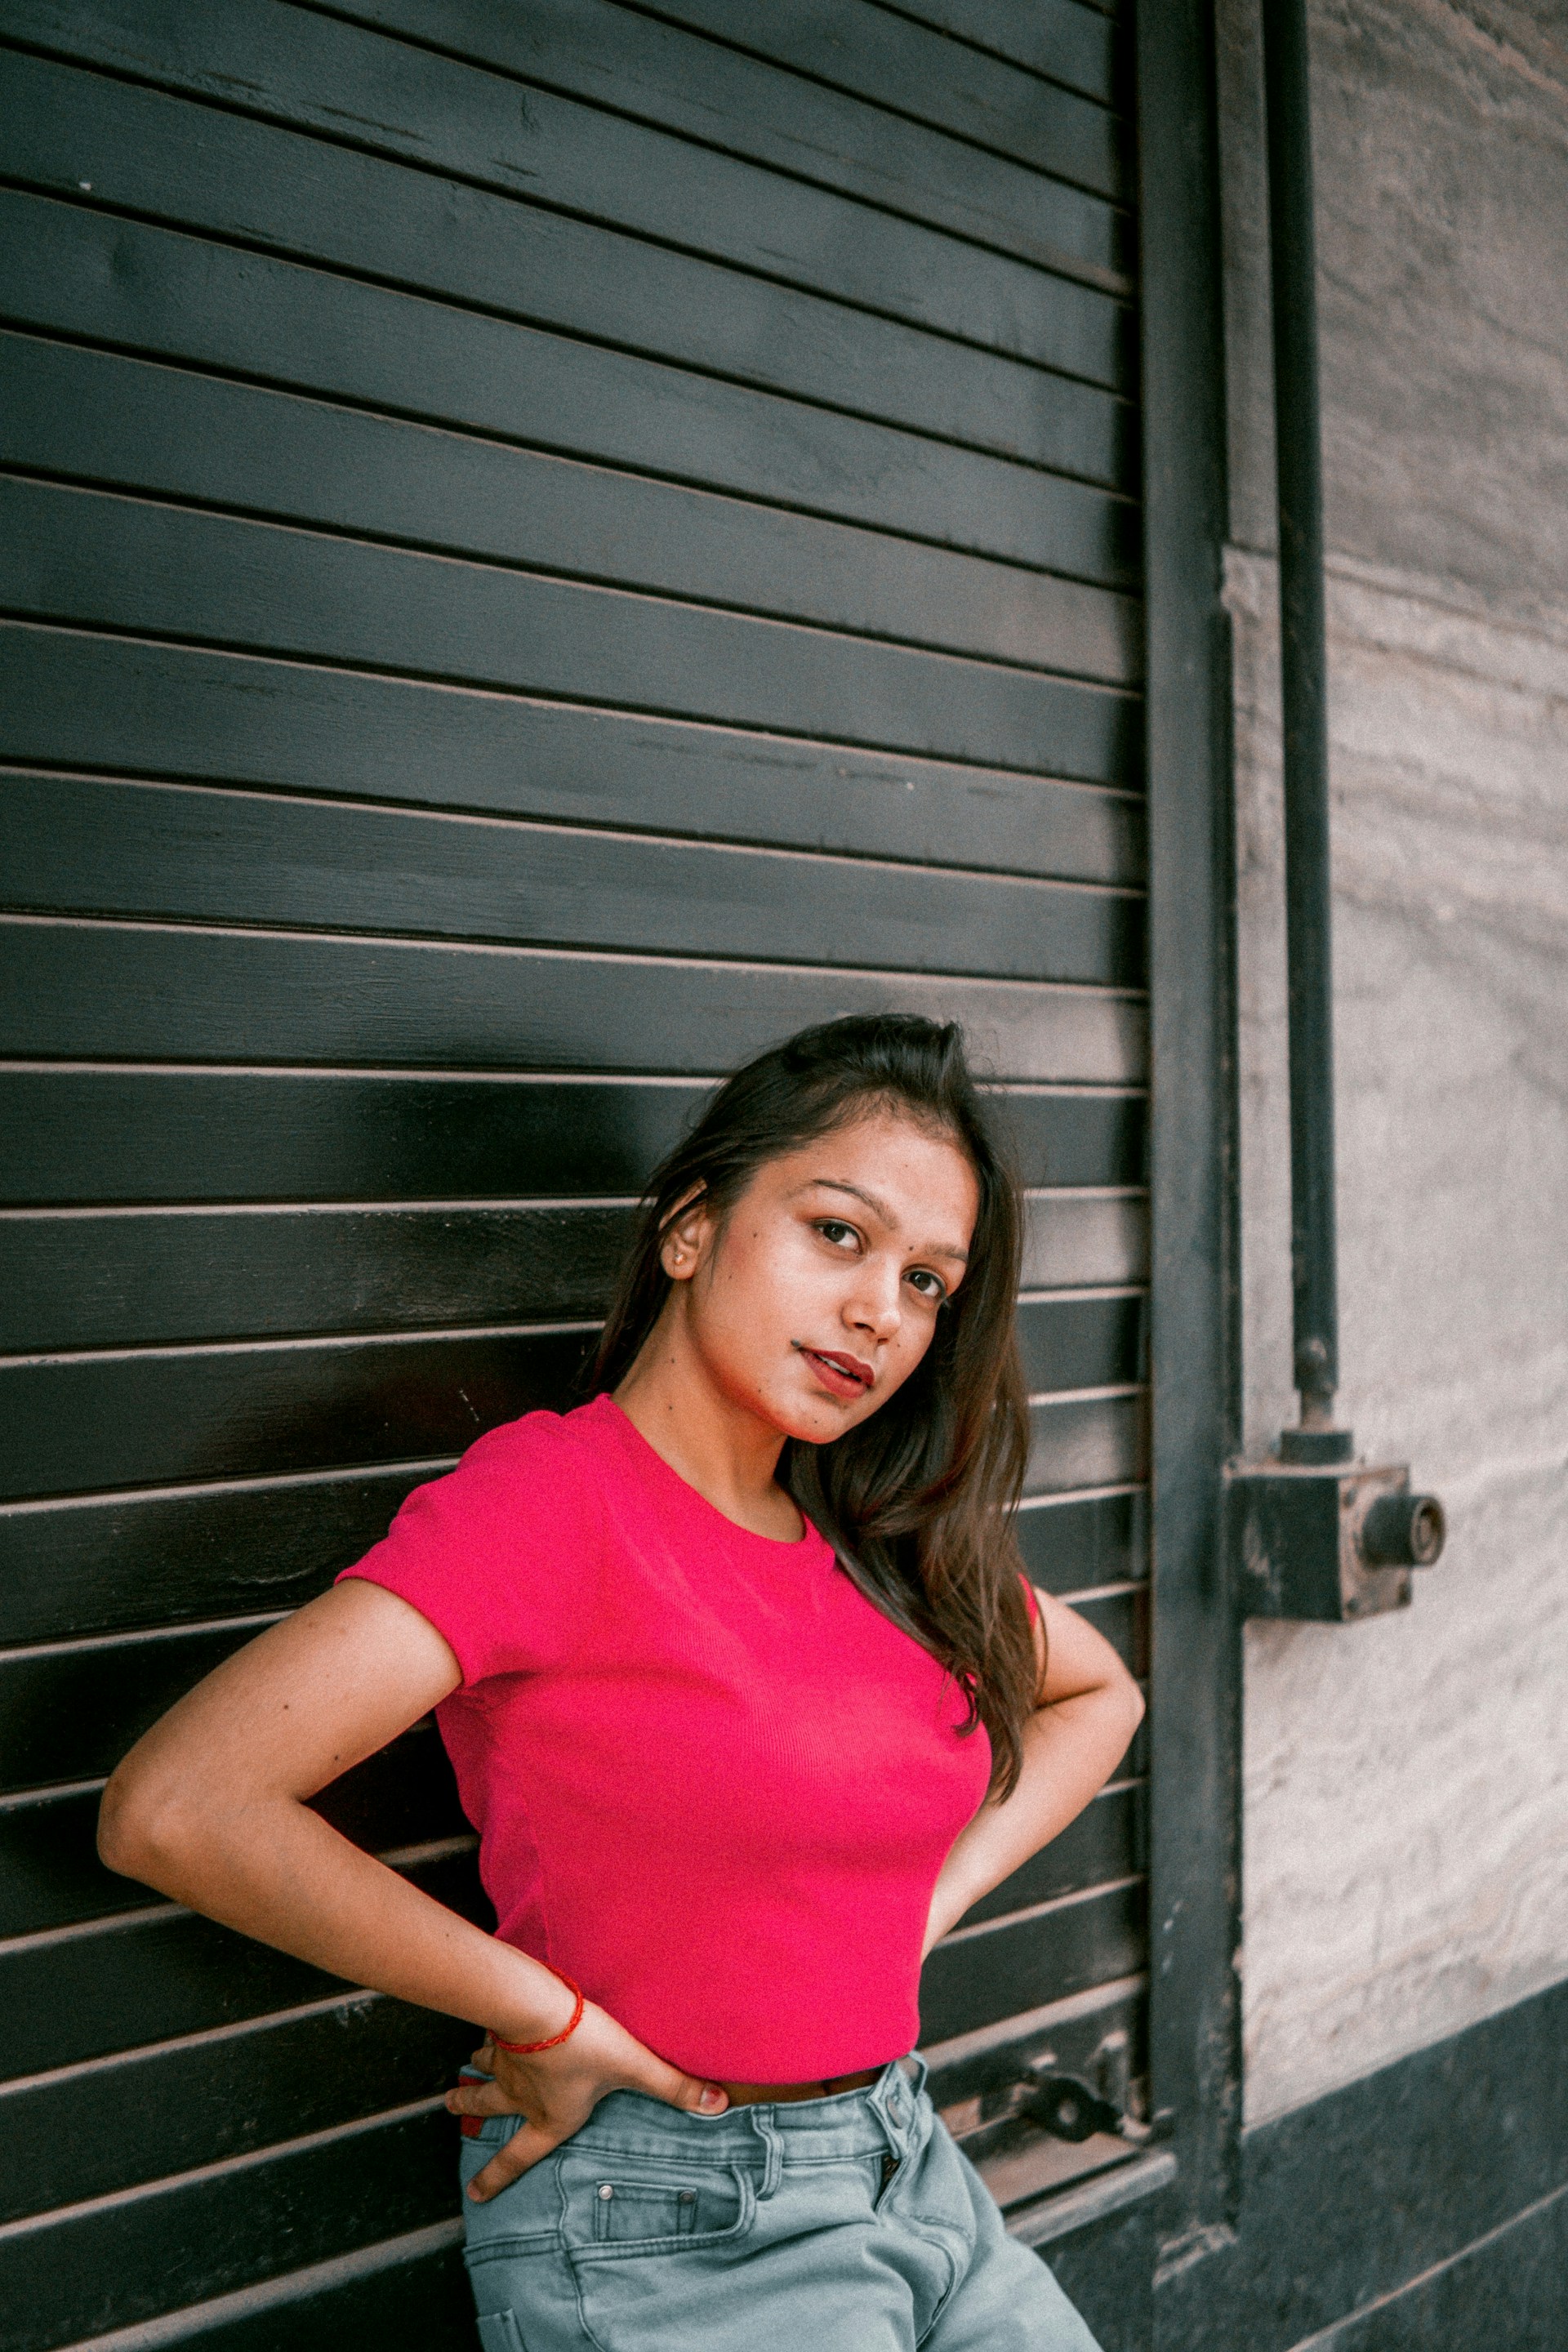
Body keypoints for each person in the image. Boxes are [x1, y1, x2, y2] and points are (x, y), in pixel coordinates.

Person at [99, 1013, 1144, 2350]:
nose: (883, 1310)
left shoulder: (870, 1543)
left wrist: (913, 1911)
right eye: (839, 1233)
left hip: (911, 2166)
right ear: (692, 1228)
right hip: (675, 2224)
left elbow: (1100, 1693)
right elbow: (179, 1805)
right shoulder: (556, 1504)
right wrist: (542, 2012)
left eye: (930, 1281)